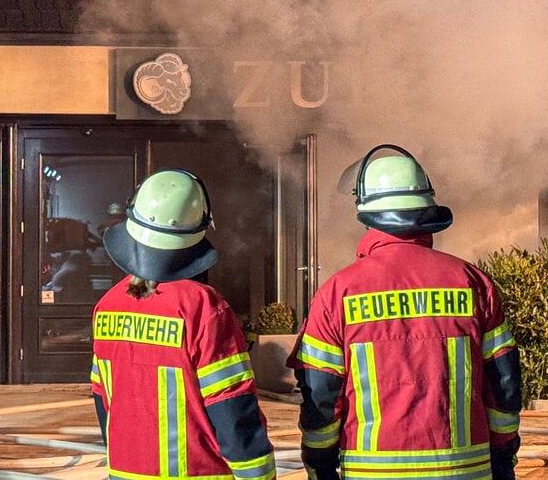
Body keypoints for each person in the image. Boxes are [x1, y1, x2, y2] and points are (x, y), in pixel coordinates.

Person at [286, 144, 522, 480]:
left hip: (373, 472)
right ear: (426, 208)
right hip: (465, 470)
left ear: (365, 209)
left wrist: (319, 463)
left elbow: (321, 394)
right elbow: (504, 383)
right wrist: (502, 453)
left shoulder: (338, 293)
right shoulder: (473, 283)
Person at [91, 168, 277, 480]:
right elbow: (230, 403)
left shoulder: (108, 304)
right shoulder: (204, 307)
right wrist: (258, 474)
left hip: (124, 472)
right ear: (200, 229)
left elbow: (103, 398)